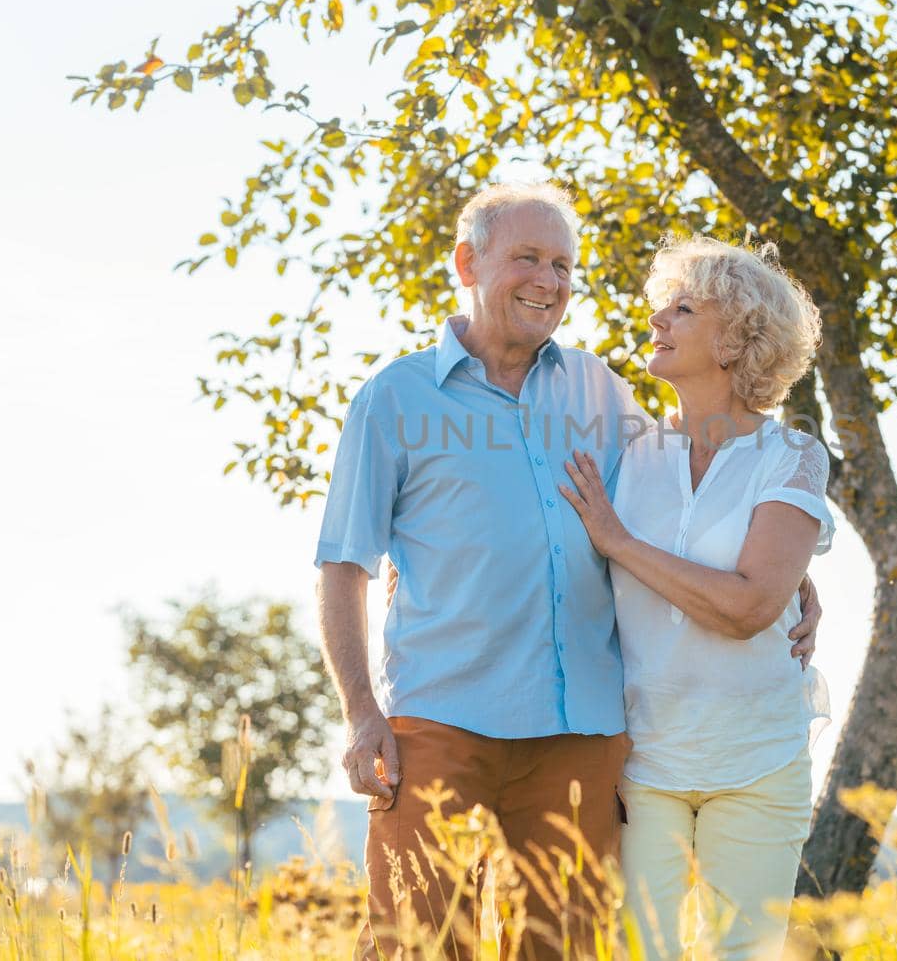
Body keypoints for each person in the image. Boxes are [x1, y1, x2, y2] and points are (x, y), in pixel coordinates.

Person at [313, 183, 820, 961]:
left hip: (582, 735)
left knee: (565, 951)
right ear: (466, 262)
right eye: (526, 258)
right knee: (415, 944)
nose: (548, 280)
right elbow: (344, 563)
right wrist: (359, 711)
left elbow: (700, 493)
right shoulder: (395, 397)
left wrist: (792, 579)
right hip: (441, 721)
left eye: (561, 263)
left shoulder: (601, 390)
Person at [558, 236, 833, 961]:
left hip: (757, 758)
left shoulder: (794, 456)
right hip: (647, 762)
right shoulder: (626, 451)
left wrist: (621, 542)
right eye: (662, 306)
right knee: (640, 951)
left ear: (740, 338)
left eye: (683, 309)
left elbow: (748, 609)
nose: (657, 320)